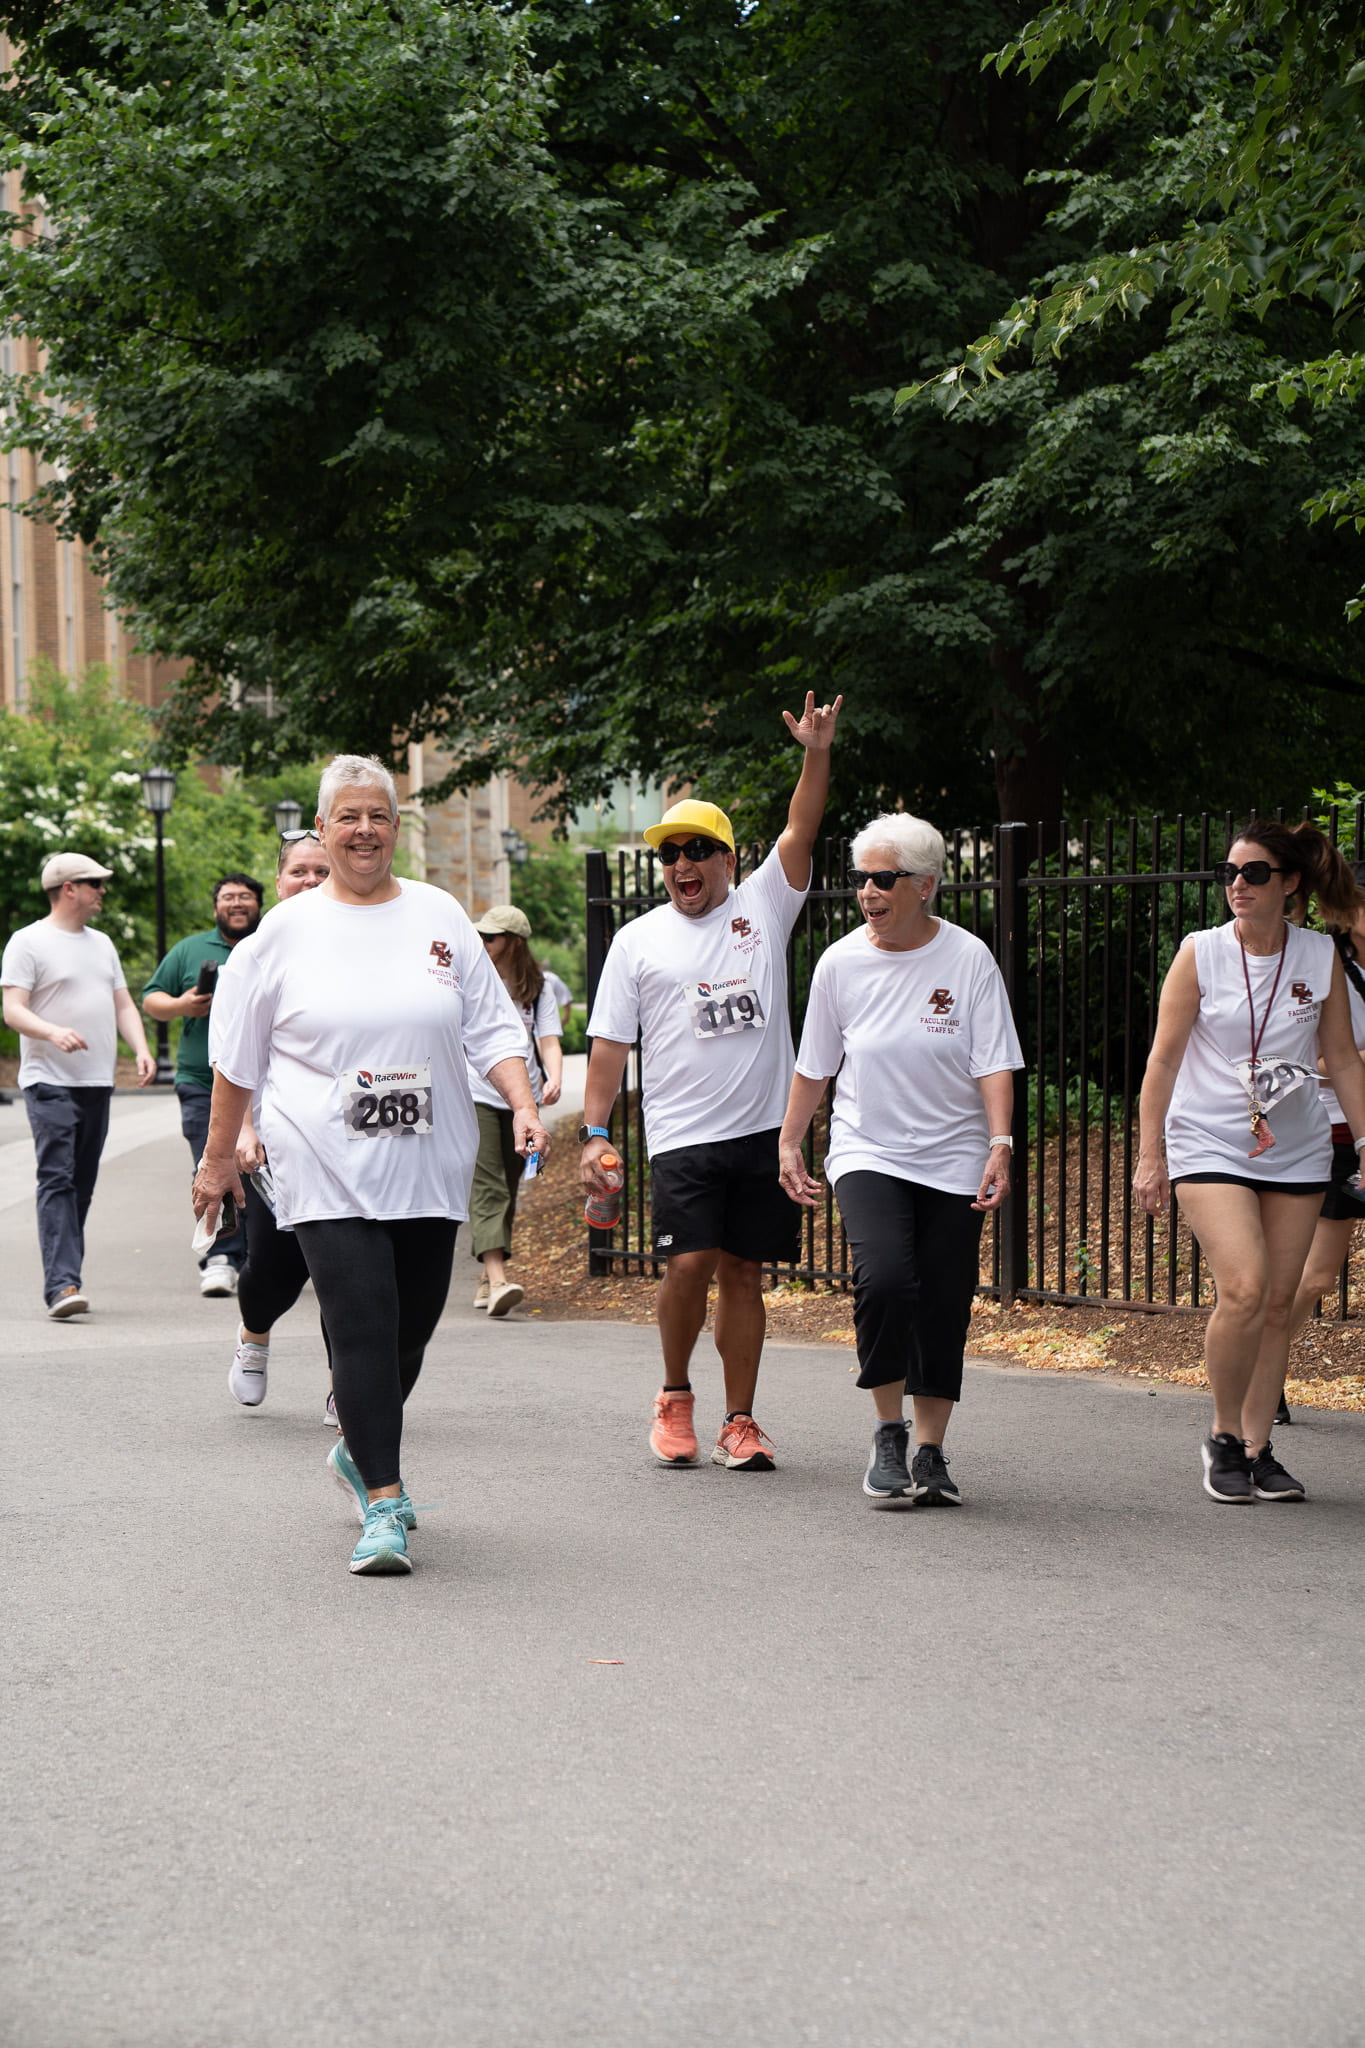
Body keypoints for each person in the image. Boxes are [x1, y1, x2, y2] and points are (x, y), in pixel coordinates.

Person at [194, 755, 548, 1576]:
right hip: (322, 1160)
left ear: (396, 827)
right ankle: (383, 1503)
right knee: (358, 1323)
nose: (362, 831)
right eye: (347, 817)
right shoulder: (281, 934)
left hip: (427, 1161)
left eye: (378, 817)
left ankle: (358, 1450)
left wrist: (523, 1103)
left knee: (410, 1329)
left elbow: (492, 1028)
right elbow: (236, 1062)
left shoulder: (438, 915)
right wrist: (219, 1159)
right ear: (323, 829)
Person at [580, 692, 841, 1472]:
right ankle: (672, 1395)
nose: (682, 865)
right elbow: (606, 1046)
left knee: (743, 1272)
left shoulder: (764, 904)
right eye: (669, 854)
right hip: (683, 1133)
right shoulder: (637, 941)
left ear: (728, 859)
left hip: (762, 1129)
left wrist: (816, 752)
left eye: (697, 850)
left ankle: (740, 1419)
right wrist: (593, 1133)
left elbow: (802, 826)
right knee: (689, 1263)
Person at [777, 814, 1022, 1508]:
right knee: (884, 1281)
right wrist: (790, 1141)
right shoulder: (840, 963)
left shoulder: (968, 958)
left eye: (882, 879)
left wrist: (999, 1144)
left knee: (944, 1299)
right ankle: (888, 1433)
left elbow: (994, 1061)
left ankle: (930, 1450)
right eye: (860, 879)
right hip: (868, 1149)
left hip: (954, 1154)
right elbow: (815, 1064)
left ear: (924, 885)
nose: (866, 892)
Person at [1135, 821, 1365, 1504]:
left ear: (1287, 883)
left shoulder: (1318, 954)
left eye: (1253, 873)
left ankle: (1260, 1449)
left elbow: (1344, 1059)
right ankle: (1222, 1436)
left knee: (1274, 1303)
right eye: (1228, 873)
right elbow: (1163, 1059)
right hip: (1207, 1140)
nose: (1236, 884)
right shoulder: (1199, 953)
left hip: (1294, 1147)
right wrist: (1151, 1155)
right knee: (1243, 1286)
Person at [1, 852, 156, 1316]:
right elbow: (13, 1009)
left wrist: (142, 1048)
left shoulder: (102, 944)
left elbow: (123, 1005)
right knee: (58, 1177)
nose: (102, 890)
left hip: (95, 1081)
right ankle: (63, 1286)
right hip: (48, 1079)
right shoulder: (28, 942)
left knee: (82, 1182)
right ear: (68, 888)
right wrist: (51, 1032)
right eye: (95, 883)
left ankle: (67, 1276)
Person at [225, 829, 335, 1414]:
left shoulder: (360, 945)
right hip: (274, 1141)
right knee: (274, 1271)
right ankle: (254, 1336)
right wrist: (243, 1131)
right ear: (278, 882)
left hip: (351, 1138)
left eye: (322, 871)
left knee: (352, 1273)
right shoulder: (255, 954)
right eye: (300, 872)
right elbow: (234, 1058)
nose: (311, 882)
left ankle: (350, 1389)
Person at [143, 872, 264, 1296]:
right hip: (201, 1080)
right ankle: (222, 1256)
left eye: (245, 897)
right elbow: (151, 1000)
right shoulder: (190, 949)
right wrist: (183, 1004)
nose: (236, 903)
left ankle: (260, 1257)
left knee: (258, 1168)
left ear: (258, 903)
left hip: (263, 1083)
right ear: (216, 907)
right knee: (212, 1161)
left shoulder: (272, 944)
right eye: (228, 897)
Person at [1283, 865, 1365, 1375]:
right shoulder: (1325, 966)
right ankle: (1261, 1365)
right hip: (1342, 1133)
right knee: (1316, 1277)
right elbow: (1309, 1059)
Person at [466, 905, 563, 1317]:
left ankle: (488, 1275)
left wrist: (555, 1077)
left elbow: (550, 1040)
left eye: (491, 938)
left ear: (514, 943)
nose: (482, 944)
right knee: (489, 1184)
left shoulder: (538, 988)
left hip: (524, 1100)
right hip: (477, 1094)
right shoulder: (469, 979)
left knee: (508, 1184)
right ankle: (500, 1276)